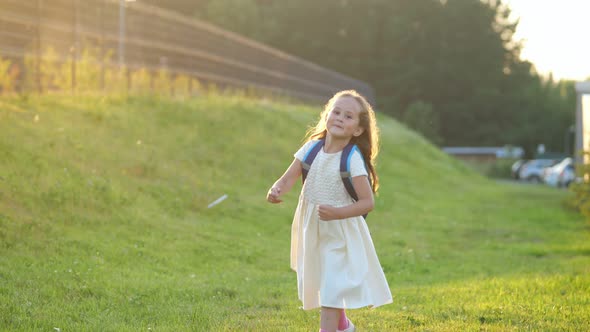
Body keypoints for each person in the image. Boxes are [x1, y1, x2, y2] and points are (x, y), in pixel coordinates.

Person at [266, 90, 393, 332]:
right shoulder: (311, 149)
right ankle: (343, 326)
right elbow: (287, 179)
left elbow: (367, 203)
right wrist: (276, 190)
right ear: (327, 115)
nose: (339, 118)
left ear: (357, 129)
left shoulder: (352, 159)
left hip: (340, 232)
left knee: (331, 291)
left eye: (348, 116)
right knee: (327, 284)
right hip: (313, 229)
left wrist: (337, 213)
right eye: (336, 112)